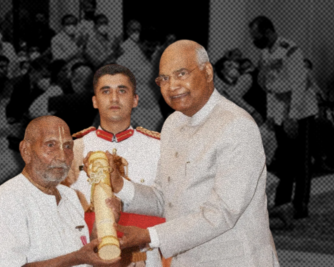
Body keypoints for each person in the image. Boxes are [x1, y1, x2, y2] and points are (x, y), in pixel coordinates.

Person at [83, 40, 279, 266]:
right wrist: (119, 185)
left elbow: (223, 212)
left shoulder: (236, 125)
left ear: (207, 72)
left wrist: (150, 236)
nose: (172, 85)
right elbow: (165, 199)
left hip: (234, 259)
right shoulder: (173, 124)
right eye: (164, 79)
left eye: (181, 74)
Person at [0, 115, 121, 266]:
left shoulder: (69, 195)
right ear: (26, 151)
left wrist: (99, 233)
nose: (62, 156)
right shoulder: (10, 197)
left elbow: (83, 256)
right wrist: (77, 258)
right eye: (51, 145)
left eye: (68, 146)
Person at [62, 64, 163, 266]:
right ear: (94, 101)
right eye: (106, 91)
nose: (114, 98)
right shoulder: (73, 149)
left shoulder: (159, 148)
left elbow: (171, 208)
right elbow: (59, 213)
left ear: (135, 100)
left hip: (144, 259)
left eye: (122, 91)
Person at [249, 16, 318, 222]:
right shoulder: (265, 52)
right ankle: (282, 204)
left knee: (301, 161)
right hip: (279, 110)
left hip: (300, 111)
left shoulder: (290, 49)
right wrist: (272, 115)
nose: (254, 40)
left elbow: (298, 85)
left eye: (256, 36)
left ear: (268, 31)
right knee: (285, 159)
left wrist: (292, 117)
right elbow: (270, 87)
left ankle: (300, 205)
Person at [49, 62, 97, 134]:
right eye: (75, 77)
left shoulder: (90, 99)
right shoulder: (66, 95)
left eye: (80, 78)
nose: (75, 80)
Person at [214, 57, 264, 126]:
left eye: (233, 63)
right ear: (223, 72)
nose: (235, 66)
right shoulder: (228, 91)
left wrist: (253, 112)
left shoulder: (247, 76)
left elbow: (235, 95)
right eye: (229, 66)